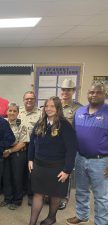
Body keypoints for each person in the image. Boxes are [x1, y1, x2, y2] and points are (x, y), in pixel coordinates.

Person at [28, 96, 77, 225]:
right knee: (38, 194)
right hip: (39, 165)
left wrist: (67, 170)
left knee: (55, 195)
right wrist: (30, 159)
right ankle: (32, 222)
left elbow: (71, 149)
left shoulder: (64, 125)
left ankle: (51, 217)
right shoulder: (40, 123)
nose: (49, 109)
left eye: (52, 106)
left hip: (57, 167)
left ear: (58, 108)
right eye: (46, 106)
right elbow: (32, 143)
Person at [66, 82, 108, 225]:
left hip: (101, 161)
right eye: (91, 92)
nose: (94, 95)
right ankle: (82, 215)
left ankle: (101, 222)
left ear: (105, 94)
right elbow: (73, 136)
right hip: (80, 158)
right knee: (81, 190)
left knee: (101, 196)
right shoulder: (79, 112)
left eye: (98, 92)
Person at [58, 79, 82, 210]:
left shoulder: (79, 108)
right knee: (54, 171)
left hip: (68, 146)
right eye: (63, 89)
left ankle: (63, 198)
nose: (65, 92)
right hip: (54, 145)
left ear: (73, 91)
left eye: (68, 90)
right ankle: (53, 194)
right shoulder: (55, 104)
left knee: (67, 171)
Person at [1, 103, 30, 210]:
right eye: (10, 110)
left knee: (17, 177)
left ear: (18, 113)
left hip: (17, 153)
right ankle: (7, 198)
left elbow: (23, 143)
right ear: (6, 112)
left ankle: (17, 200)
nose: (12, 113)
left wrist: (10, 150)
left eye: (14, 111)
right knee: (6, 176)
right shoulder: (2, 123)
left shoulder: (22, 124)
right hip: (4, 153)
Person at [18, 91, 42, 206]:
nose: (29, 100)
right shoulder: (18, 111)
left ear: (35, 100)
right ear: (23, 100)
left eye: (31, 98)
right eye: (27, 99)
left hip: (33, 146)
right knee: (21, 170)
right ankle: (22, 190)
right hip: (20, 145)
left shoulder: (40, 113)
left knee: (32, 172)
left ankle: (31, 194)